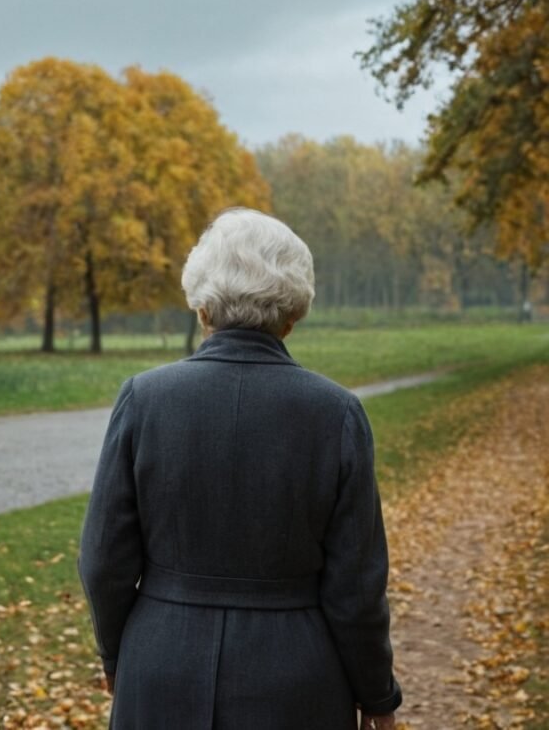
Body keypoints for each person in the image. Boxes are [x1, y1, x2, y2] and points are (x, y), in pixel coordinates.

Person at [78, 208, 401, 729]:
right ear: (292, 316)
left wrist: (118, 655)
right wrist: (377, 696)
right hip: (296, 678)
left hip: (161, 664)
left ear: (202, 308)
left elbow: (103, 558)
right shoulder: (336, 413)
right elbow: (356, 588)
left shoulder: (143, 400)